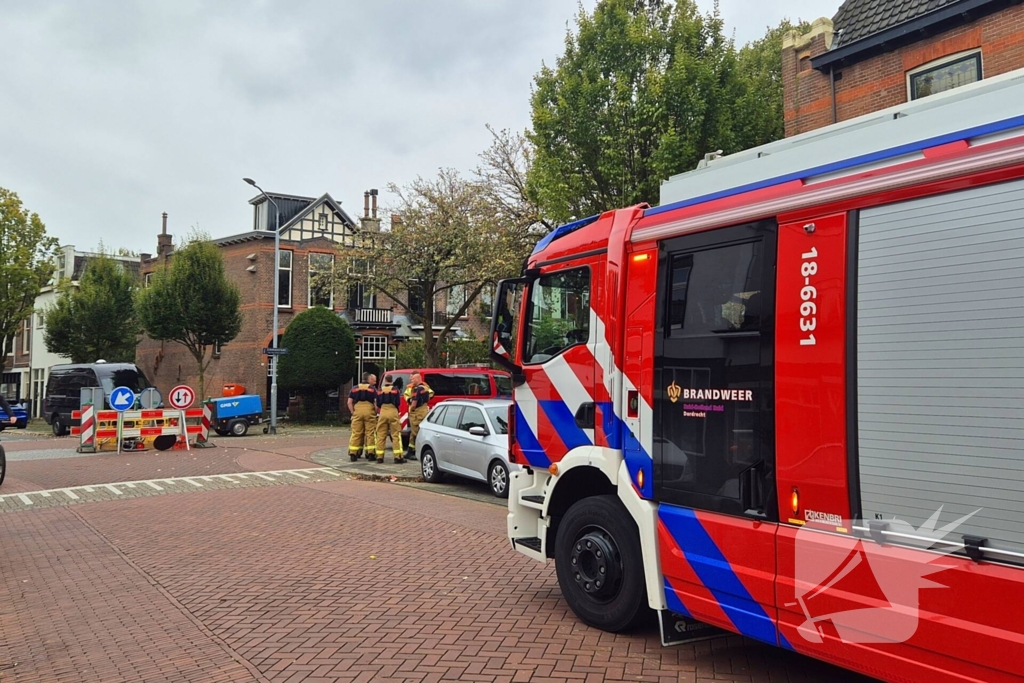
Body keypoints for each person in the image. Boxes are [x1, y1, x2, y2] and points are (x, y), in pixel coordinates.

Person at [347, 373, 378, 462]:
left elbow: (349, 402)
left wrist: (352, 412)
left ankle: (353, 453)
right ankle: (371, 454)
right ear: (368, 380)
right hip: (369, 412)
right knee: (370, 433)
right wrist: (375, 412)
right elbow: (376, 402)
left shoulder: (354, 389)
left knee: (356, 433)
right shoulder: (372, 389)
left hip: (357, 411)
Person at [403, 372, 434, 461]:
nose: (411, 380)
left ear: (417, 378)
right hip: (421, 410)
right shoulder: (424, 387)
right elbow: (430, 394)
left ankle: (416, 451)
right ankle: (410, 451)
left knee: (416, 432)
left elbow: (414, 402)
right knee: (413, 432)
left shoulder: (419, 388)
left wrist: (412, 408)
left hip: (417, 412)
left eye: (412, 378)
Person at [375, 375, 404, 464]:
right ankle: (397, 457)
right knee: (395, 435)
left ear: (385, 380)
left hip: (383, 411)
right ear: (392, 380)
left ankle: (379, 457)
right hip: (393, 411)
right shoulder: (395, 390)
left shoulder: (380, 390)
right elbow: (398, 402)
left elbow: (378, 403)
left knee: (381, 435)